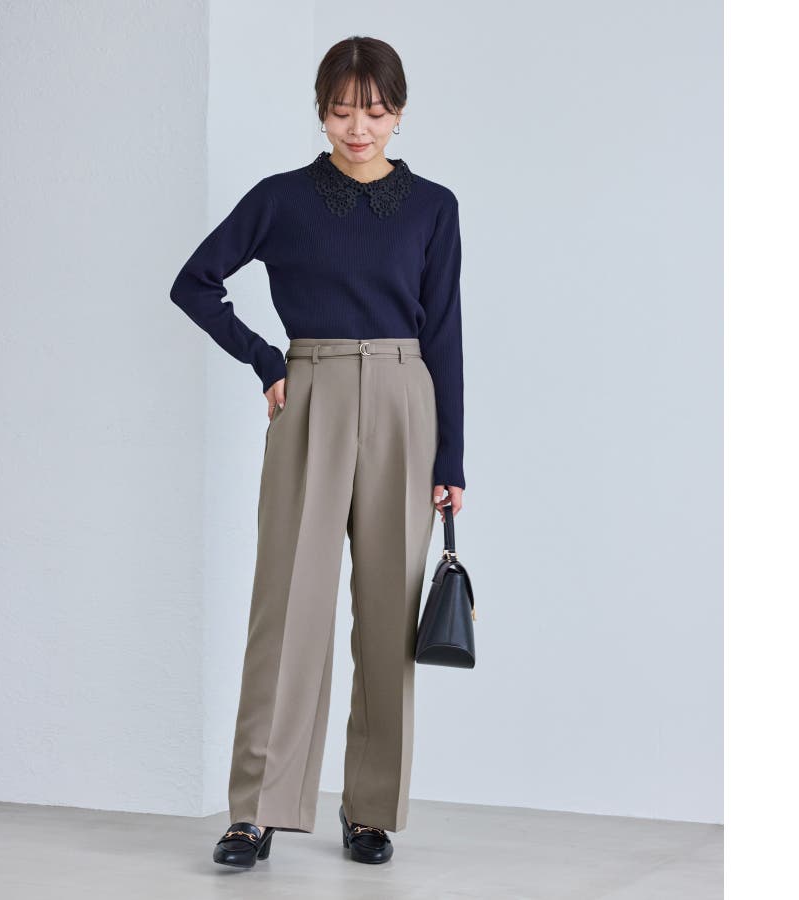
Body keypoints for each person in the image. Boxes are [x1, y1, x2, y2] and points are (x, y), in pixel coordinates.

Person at [169, 35, 466, 868]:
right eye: (342, 111)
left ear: (399, 112)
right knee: (287, 605)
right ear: (322, 112)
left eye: (375, 111)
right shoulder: (283, 198)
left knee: (388, 614)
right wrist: (267, 361)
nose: (358, 127)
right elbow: (195, 282)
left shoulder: (434, 207)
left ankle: (369, 809)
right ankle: (256, 808)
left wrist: (452, 460)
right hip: (311, 390)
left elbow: (445, 331)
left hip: (406, 397)